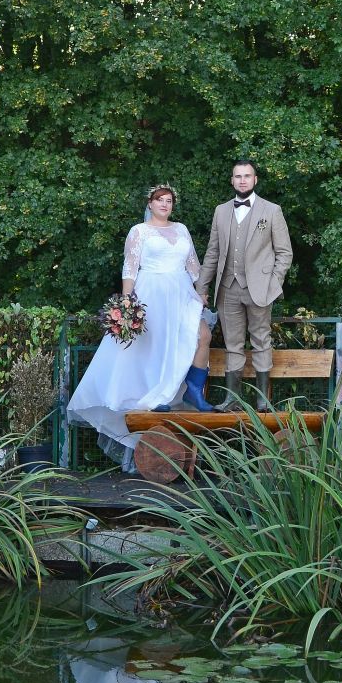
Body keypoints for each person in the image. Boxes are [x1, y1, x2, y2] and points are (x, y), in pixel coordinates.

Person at [67, 185, 214, 472]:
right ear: (150, 203)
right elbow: (130, 268)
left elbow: (194, 267)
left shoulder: (182, 229)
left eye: (170, 201)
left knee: (202, 335)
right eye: (160, 200)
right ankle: (156, 398)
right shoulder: (139, 231)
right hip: (152, 293)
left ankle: (194, 392)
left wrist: (202, 291)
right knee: (154, 346)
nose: (165, 204)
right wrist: (126, 301)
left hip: (181, 293)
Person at [195, 160, 293, 411]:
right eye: (237, 176)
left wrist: (274, 284)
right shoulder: (221, 211)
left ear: (255, 179)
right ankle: (232, 400)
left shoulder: (271, 211)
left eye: (247, 176)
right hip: (227, 288)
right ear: (232, 180)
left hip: (260, 288)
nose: (242, 180)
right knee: (233, 344)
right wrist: (202, 288)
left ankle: (262, 400)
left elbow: (285, 253)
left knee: (261, 340)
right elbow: (213, 252)